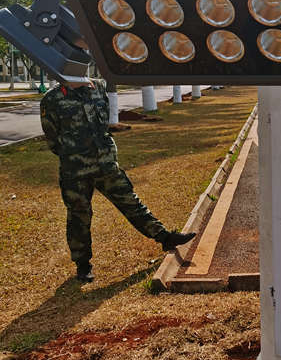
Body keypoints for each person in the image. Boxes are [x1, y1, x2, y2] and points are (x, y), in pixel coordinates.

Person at [40, 78, 194, 283]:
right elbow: (52, 137)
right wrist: (73, 154)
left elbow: (103, 124)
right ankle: (83, 265)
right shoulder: (52, 98)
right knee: (79, 216)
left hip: (106, 164)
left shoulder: (99, 88)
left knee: (131, 202)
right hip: (75, 170)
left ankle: (165, 238)